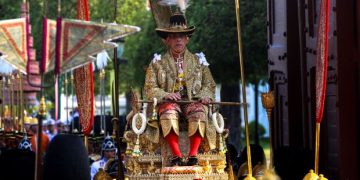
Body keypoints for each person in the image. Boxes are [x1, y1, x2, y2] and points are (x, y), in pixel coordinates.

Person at [144, 12, 216, 166]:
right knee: (168, 110)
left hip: (193, 101)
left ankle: (192, 155)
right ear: (167, 40)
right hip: (169, 103)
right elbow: (150, 88)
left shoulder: (199, 61)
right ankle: (176, 155)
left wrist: (205, 96)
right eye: (174, 36)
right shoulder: (157, 62)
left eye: (181, 36)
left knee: (198, 110)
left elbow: (209, 84)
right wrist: (165, 94)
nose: (178, 39)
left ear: (187, 39)